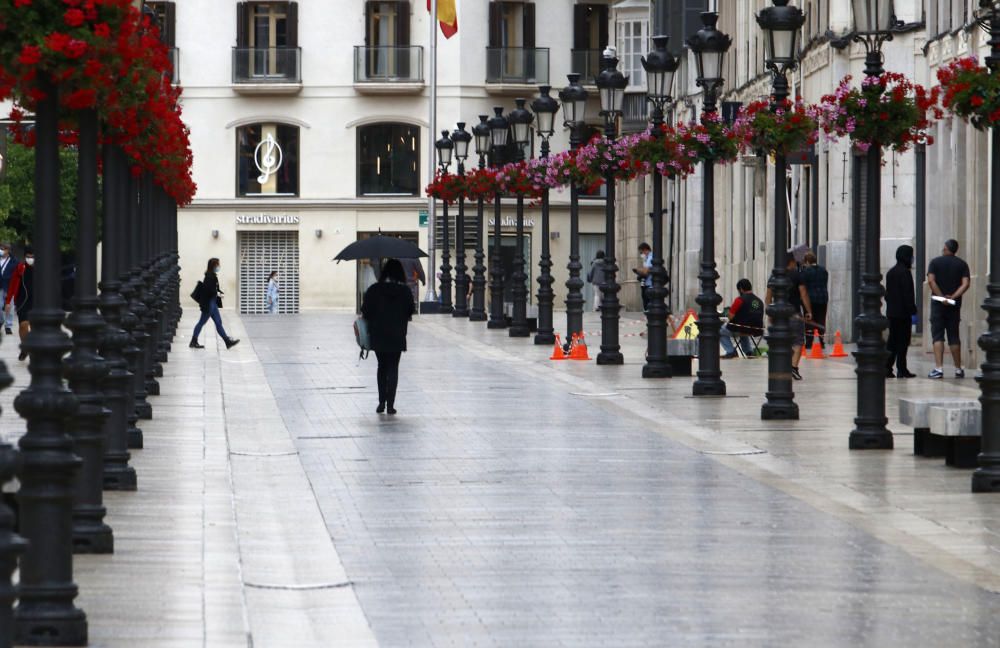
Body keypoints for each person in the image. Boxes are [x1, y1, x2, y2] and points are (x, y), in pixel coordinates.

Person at [361, 258, 415, 415]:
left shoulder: (374, 290)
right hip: (397, 335)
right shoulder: (404, 291)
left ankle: (381, 402)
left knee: (381, 366)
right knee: (393, 367)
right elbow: (410, 311)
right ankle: (391, 404)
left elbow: (365, 310)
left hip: (378, 334)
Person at [927, 239, 970, 379]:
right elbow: (965, 284)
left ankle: (939, 368)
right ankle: (958, 369)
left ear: (945, 248)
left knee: (938, 335)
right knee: (954, 336)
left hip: (938, 304)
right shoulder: (962, 264)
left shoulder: (934, 262)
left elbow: (931, 281)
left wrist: (941, 296)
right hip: (954, 305)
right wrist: (952, 297)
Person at [766, 251, 813, 380]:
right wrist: (808, 311)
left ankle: (782, 367)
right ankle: (793, 367)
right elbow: (803, 294)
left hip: (778, 315)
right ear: (791, 262)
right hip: (794, 314)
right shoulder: (797, 275)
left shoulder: (773, 277)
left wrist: (770, 312)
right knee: (797, 341)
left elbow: (768, 297)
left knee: (781, 341)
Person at [190, 257, 240, 350]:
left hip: (213, 303)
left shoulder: (212, 275)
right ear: (214, 265)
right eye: (218, 264)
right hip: (209, 304)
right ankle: (193, 341)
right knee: (202, 322)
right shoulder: (209, 276)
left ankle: (227, 342)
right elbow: (209, 290)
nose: (219, 266)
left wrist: (219, 292)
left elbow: (213, 289)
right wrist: (218, 294)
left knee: (218, 322)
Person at [885, 244, 917, 378]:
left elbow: (888, 294)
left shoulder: (891, 272)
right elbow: (907, 294)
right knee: (903, 342)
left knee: (892, 342)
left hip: (892, 313)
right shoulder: (905, 273)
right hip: (903, 314)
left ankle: (887, 367)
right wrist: (913, 310)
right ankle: (902, 369)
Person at [720, 279, 764, 358]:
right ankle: (748, 351)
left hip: (741, 329)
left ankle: (730, 351)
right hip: (757, 330)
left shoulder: (739, 300)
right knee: (743, 328)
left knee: (719, 330)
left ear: (741, 289)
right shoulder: (759, 301)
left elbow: (730, 316)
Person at [4, 247, 34, 361]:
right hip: (23, 300)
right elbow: (12, 285)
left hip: (37, 301)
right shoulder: (20, 268)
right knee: (23, 326)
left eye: (32, 257)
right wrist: (8, 302)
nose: (30, 259)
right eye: (28, 257)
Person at [799, 251, 829, 349]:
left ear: (807, 261)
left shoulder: (805, 272)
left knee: (809, 320)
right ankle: (821, 341)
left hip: (810, 299)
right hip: (823, 298)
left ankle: (809, 342)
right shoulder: (823, 270)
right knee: (821, 319)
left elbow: (803, 287)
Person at [0, 244, 16, 335]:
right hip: (0, 286)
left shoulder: (14, 261)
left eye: (3, 249)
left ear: (8, 250)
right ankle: (1, 321)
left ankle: (8, 326)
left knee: (10, 306)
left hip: (9, 286)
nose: (1, 250)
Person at [634, 242, 653, 312]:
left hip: (650, 283)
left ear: (645, 250)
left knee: (648, 302)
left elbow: (646, 271)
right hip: (646, 283)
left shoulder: (651, 257)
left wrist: (639, 270)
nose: (641, 254)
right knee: (645, 300)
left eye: (641, 252)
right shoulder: (647, 258)